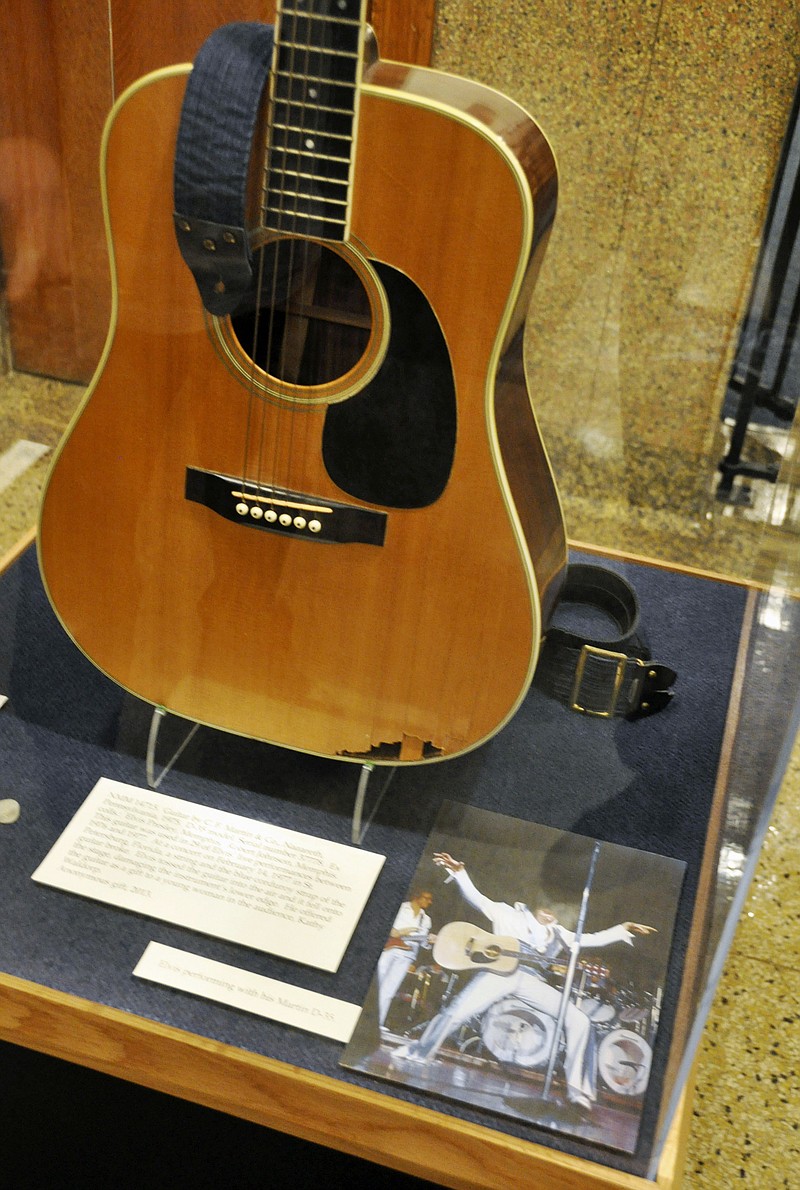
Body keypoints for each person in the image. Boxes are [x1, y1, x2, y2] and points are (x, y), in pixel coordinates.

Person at [395, 853, 656, 1115]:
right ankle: (419, 1051)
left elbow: (591, 939)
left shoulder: (559, 933)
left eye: (556, 910)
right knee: (456, 1011)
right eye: (546, 907)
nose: (550, 914)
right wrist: (461, 873)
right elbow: (478, 899)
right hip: (499, 974)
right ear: (536, 902)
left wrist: (623, 929)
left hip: (530, 980)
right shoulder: (508, 914)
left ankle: (580, 1094)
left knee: (580, 1021)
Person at [377, 889, 436, 1030]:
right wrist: (398, 932)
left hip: (407, 955)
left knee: (389, 990)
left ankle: (377, 1023)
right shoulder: (401, 907)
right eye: (427, 898)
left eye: (430, 899)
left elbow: (423, 942)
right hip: (389, 949)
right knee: (377, 983)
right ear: (417, 896)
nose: (429, 902)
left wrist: (430, 941)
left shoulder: (426, 920)